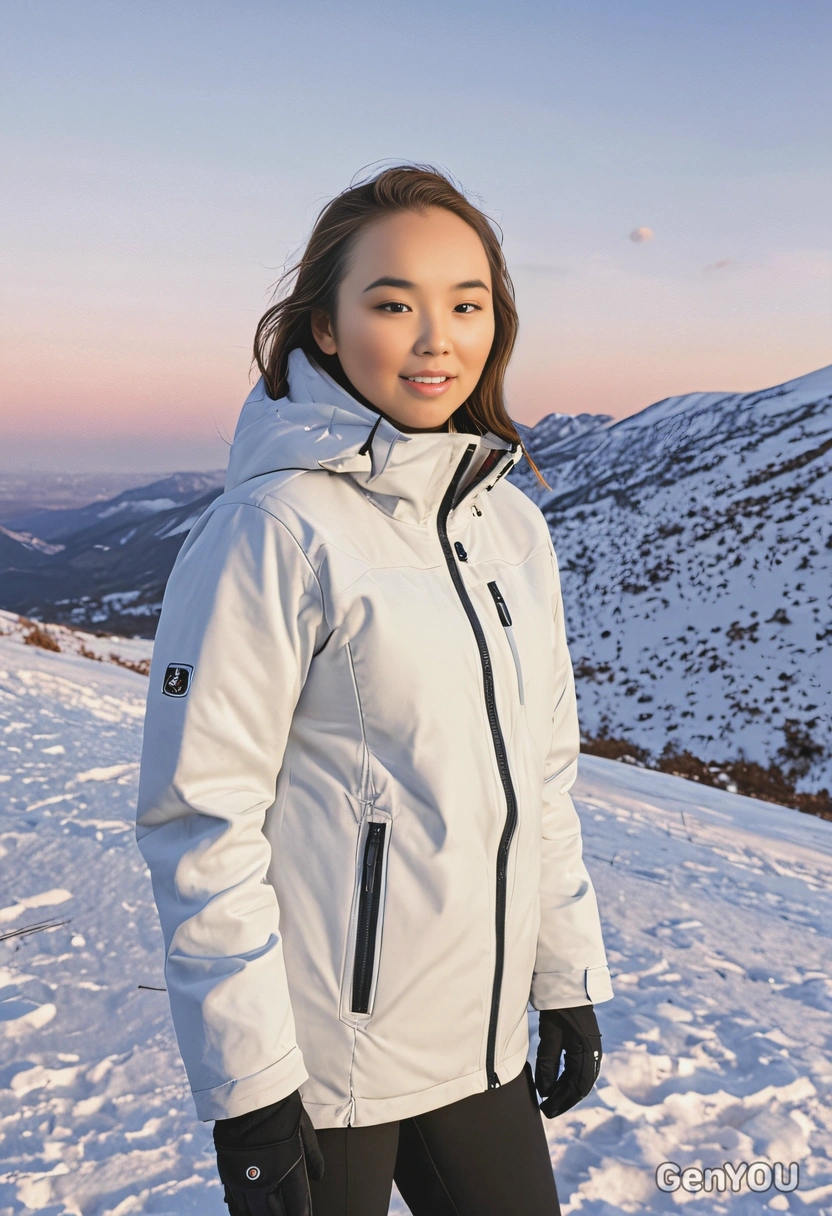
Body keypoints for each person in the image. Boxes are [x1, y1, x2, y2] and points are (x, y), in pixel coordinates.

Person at [136, 163, 614, 1216]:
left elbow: (540, 779)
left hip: (479, 1051)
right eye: (393, 303)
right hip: (322, 1067)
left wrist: (566, 978)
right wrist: (252, 1091)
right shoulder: (273, 532)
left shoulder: (510, 529)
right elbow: (202, 821)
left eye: (466, 303)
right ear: (322, 326)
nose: (435, 336)